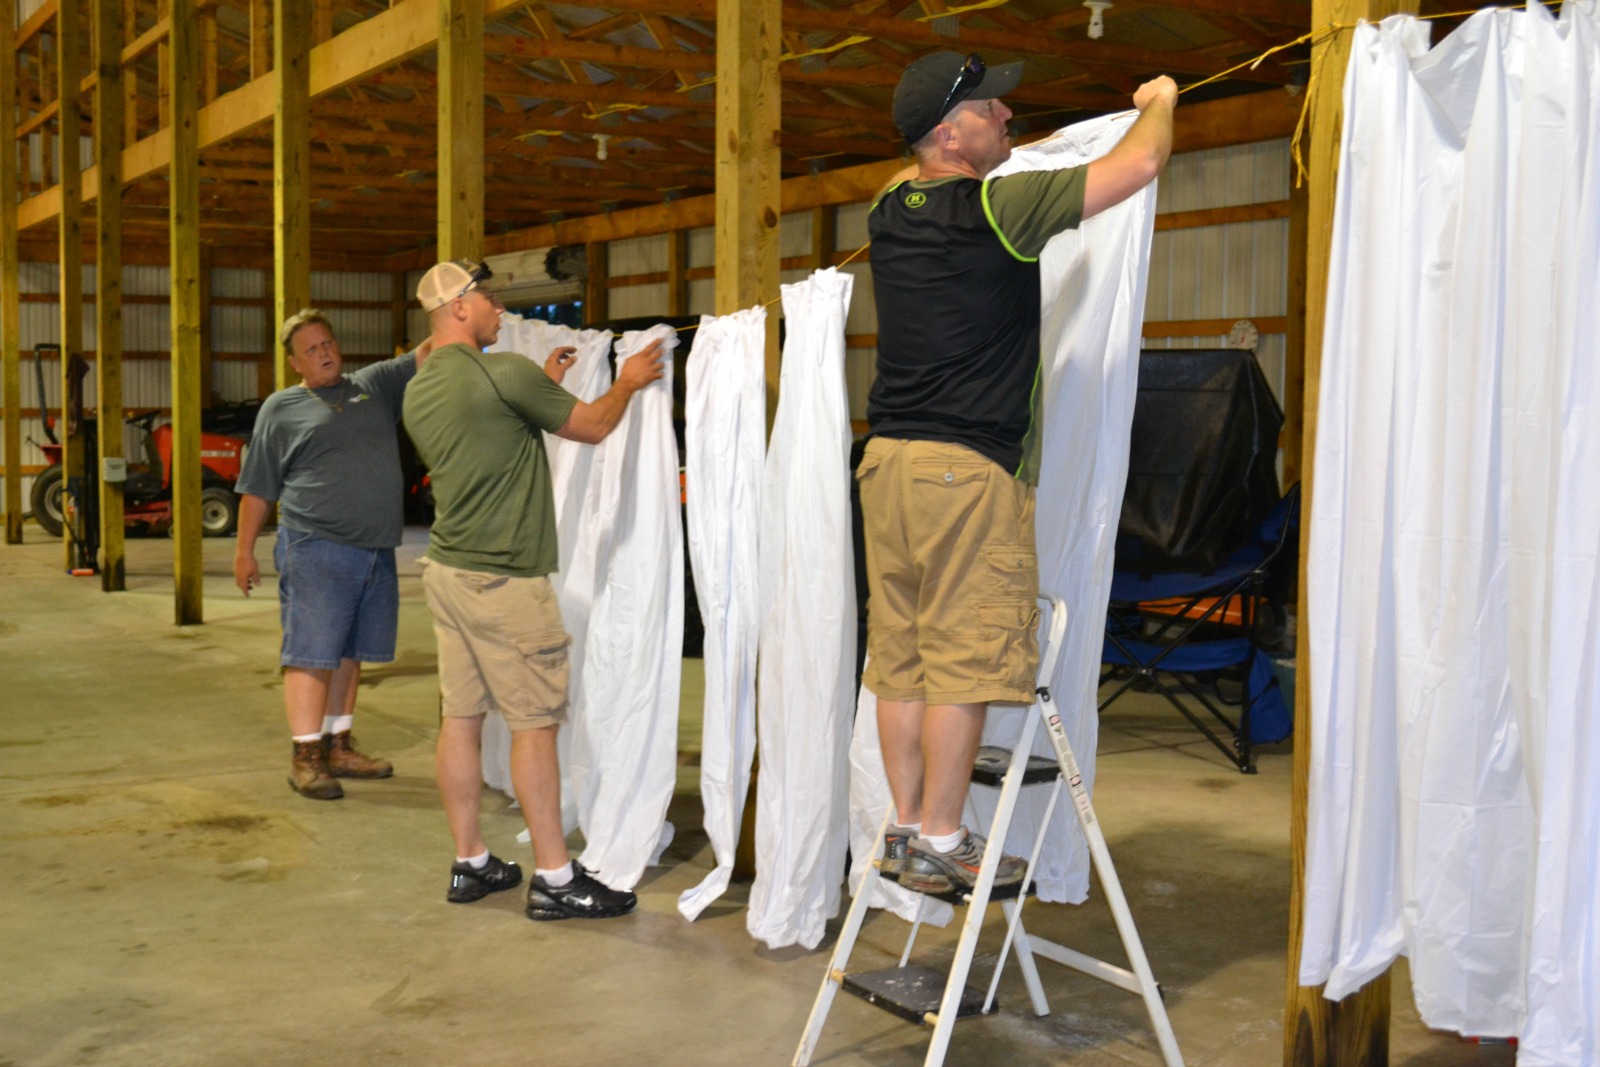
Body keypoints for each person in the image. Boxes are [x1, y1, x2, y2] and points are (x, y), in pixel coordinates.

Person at [861, 52, 1178, 894]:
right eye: (992, 109)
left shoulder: (889, 206)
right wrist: (1158, 97)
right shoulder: (998, 205)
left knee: (902, 660)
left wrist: (1000, 149)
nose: (1010, 117)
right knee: (965, 660)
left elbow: (918, 166)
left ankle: (902, 827)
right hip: (964, 472)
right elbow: (1142, 162)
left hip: (888, 465)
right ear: (947, 131)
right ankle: (941, 835)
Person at [401, 259, 665, 921]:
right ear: (459, 308)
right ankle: (554, 876)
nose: (497, 310)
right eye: (488, 298)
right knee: (535, 725)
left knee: (460, 718)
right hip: (506, 580)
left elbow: (491, 428)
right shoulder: (504, 374)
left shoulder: (422, 387)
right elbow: (595, 425)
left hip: (449, 571)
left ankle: (471, 861)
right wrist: (628, 380)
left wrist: (544, 383)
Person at [234, 310, 431, 801]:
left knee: (350, 653)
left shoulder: (374, 387)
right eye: (311, 349)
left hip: (375, 549)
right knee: (310, 654)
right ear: (294, 363)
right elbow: (257, 488)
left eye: (327, 343)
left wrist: (457, 300)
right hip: (315, 545)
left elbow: (430, 351)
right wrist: (244, 551)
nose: (323, 352)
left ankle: (338, 745)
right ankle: (306, 757)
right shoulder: (282, 409)